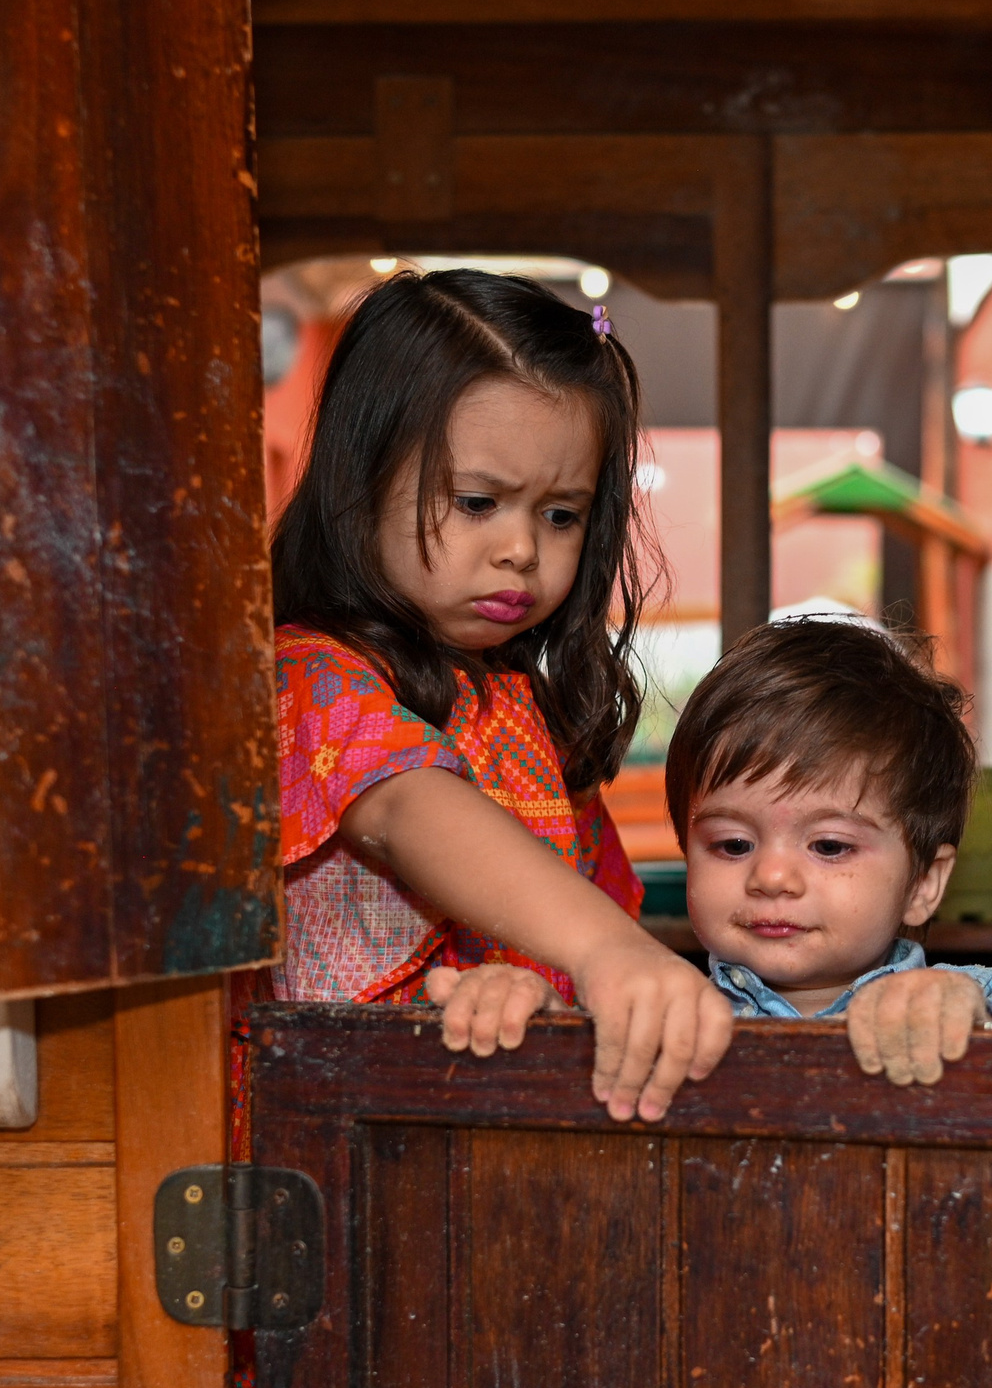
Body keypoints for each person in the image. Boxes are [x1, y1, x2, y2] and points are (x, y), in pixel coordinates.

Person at [270, 268, 734, 1123]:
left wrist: (569, 987)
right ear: (357, 483)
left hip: (494, 1137)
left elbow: (582, 951)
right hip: (329, 1148)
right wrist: (608, 951)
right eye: (478, 502)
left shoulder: (525, 709)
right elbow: (411, 808)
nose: (521, 547)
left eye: (561, 514)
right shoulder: (308, 675)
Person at [662, 617, 992, 1085]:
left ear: (924, 883)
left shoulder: (964, 997)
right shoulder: (662, 1013)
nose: (771, 877)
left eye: (829, 846)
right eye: (734, 845)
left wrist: (951, 1009)